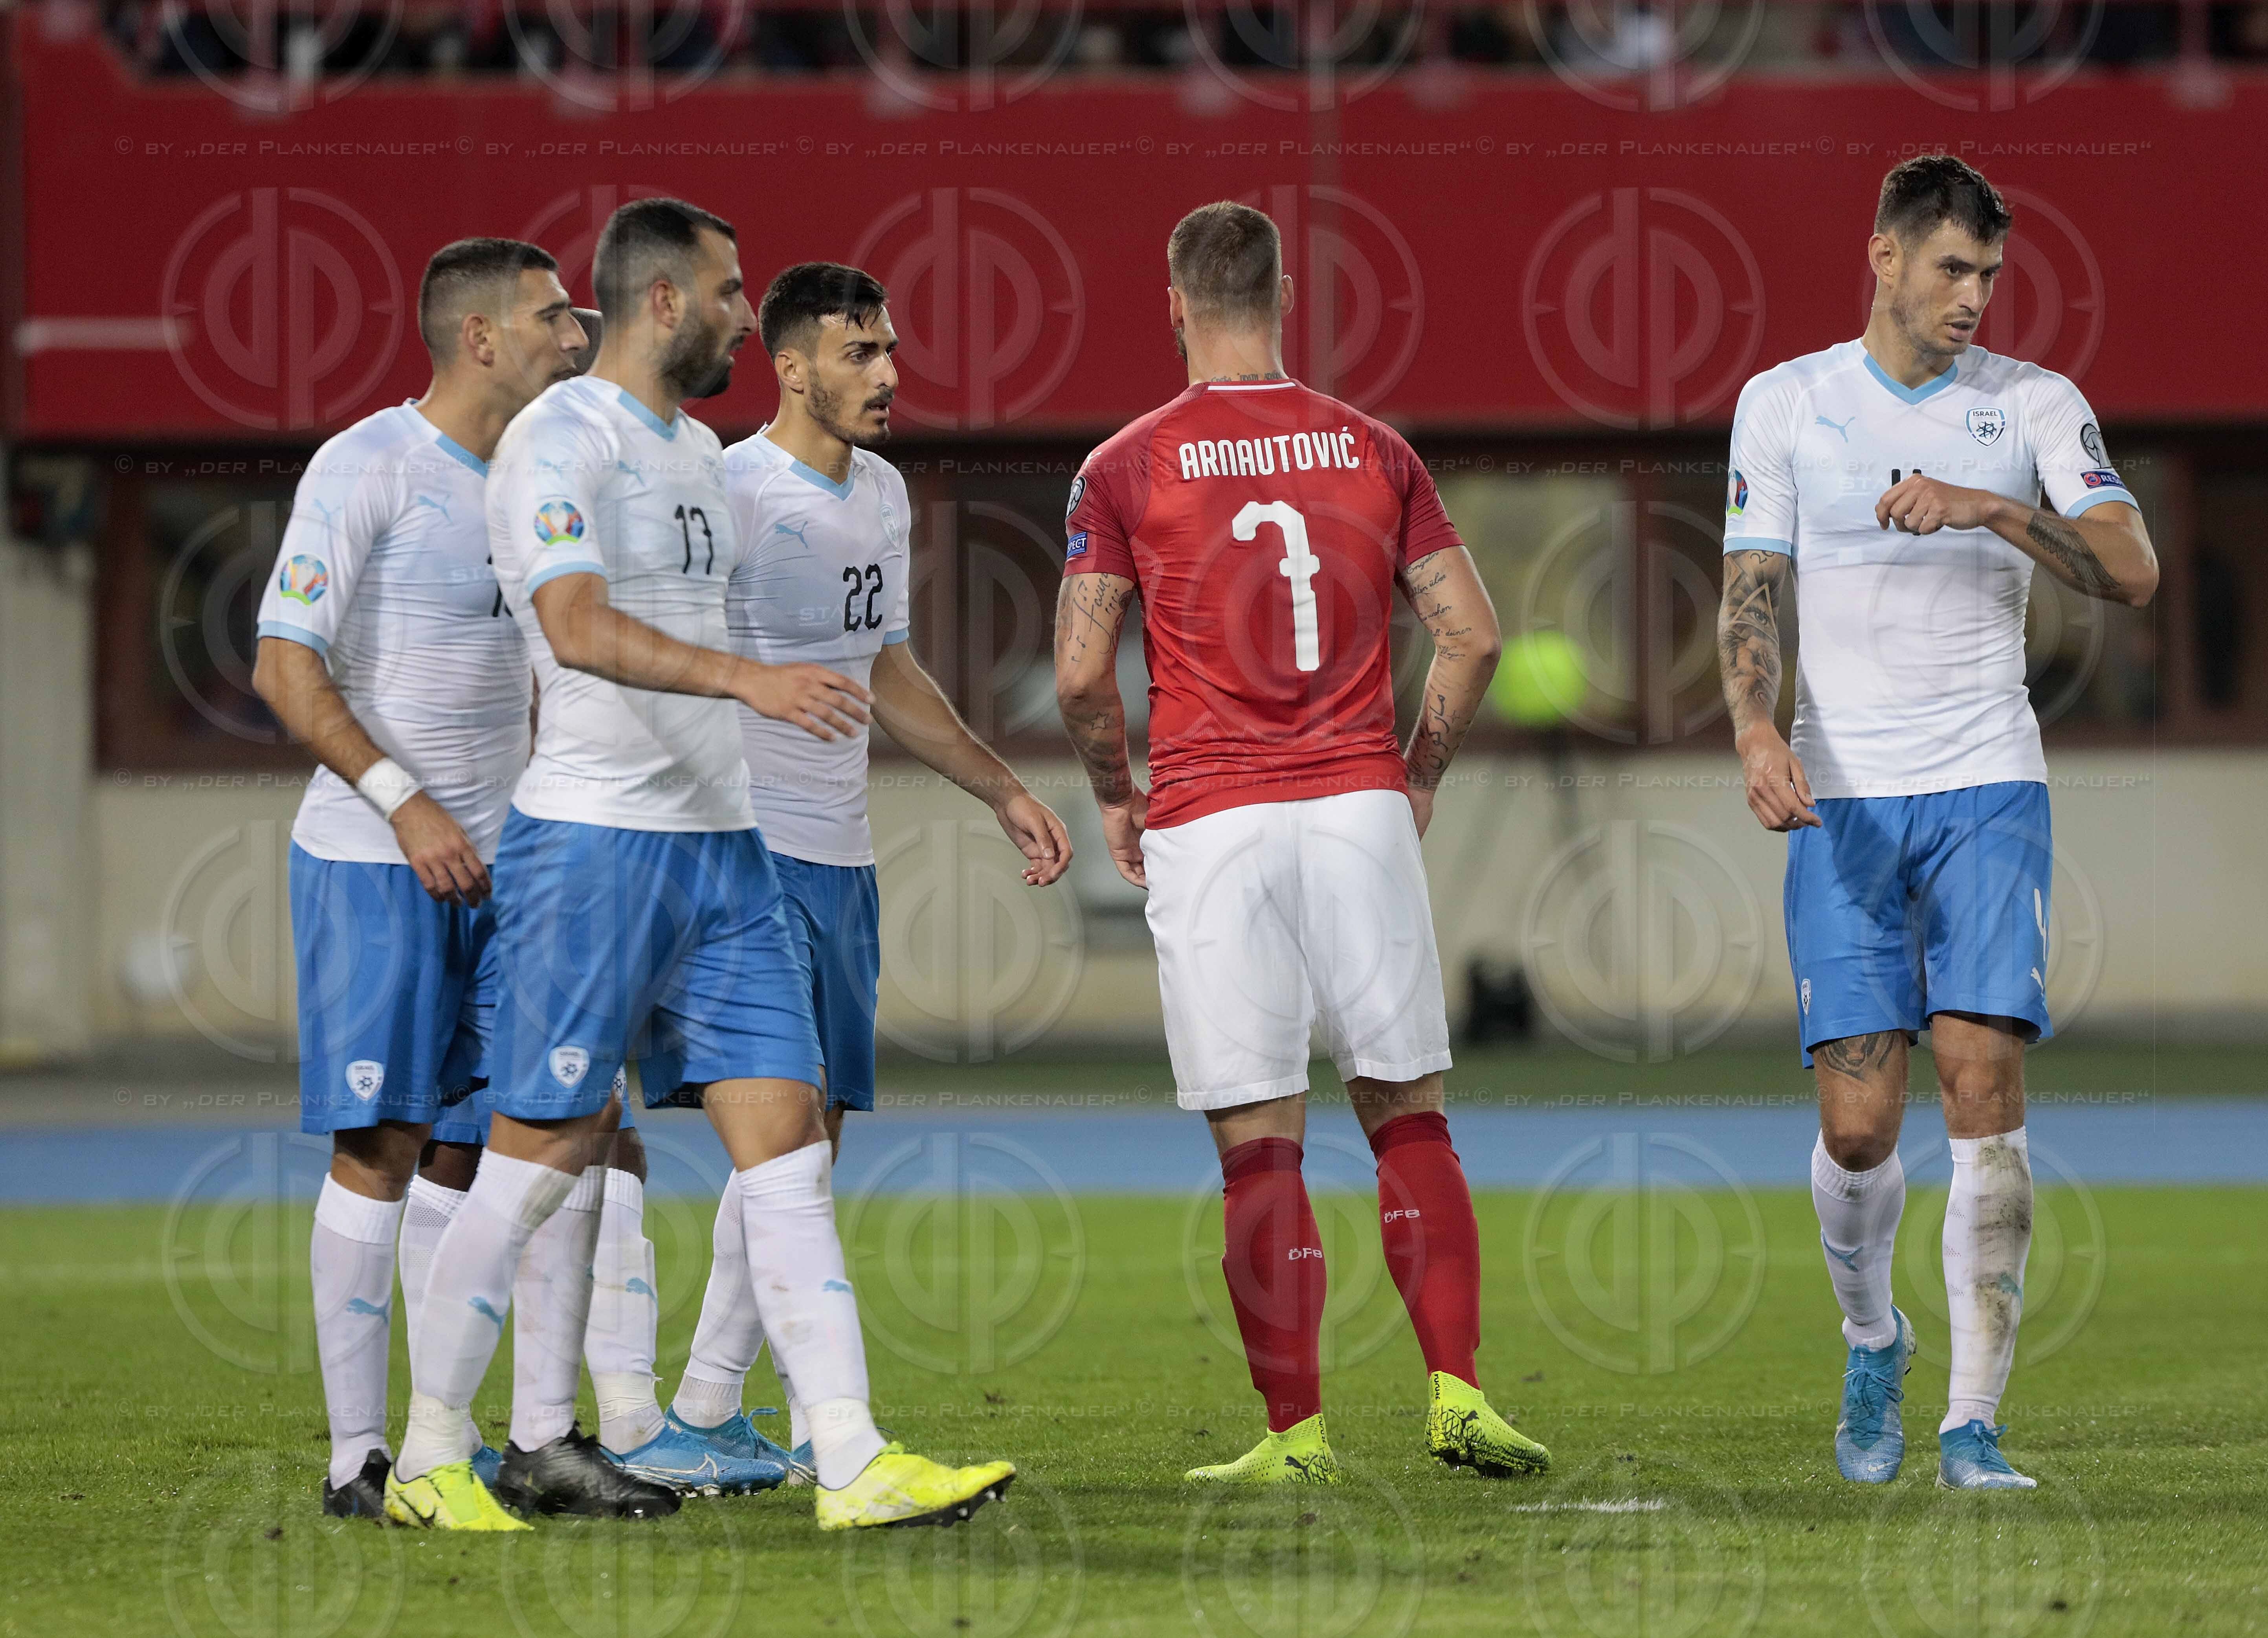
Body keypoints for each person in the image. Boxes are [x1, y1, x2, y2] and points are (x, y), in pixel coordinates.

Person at [384, 196, 1015, 1532]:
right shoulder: (563, 435)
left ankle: (845, 1456)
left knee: (787, 1145)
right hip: (597, 849)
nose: (745, 314)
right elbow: (572, 622)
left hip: (728, 852)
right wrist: (752, 681)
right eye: (730, 294)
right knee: (536, 1150)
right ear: (667, 302)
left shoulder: (693, 458)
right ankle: (431, 1454)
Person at [1054, 201, 1548, 1485]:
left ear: (1172, 303)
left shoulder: (1122, 466)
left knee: (1258, 1140)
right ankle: (1456, 1395)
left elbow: (1075, 672)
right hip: (1355, 807)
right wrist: (1416, 773)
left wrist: (1118, 792)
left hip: (1212, 818)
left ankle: (1298, 1435)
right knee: (1409, 1115)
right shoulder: (1374, 450)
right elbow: (1475, 634)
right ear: (1282, 299)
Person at [1715, 155, 2158, 1491]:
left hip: (1984, 783)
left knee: (1980, 1085)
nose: (1971, 298)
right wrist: (1751, 729)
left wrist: (1990, 506)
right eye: (1950, 269)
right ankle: (1873, 1336)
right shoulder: (1784, 403)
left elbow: (2130, 572)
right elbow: (1751, 589)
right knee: (1857, 1128)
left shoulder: (2031, 405)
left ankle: (1972, 1422)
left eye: (1988, 276)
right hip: (1842, 797)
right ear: (1883, 257)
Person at [591, 261, 1070, 1485]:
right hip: (742, 857)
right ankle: (774, 1425)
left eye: (891, 350)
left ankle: (705, 1413)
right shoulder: (730, 491)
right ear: (791, 367)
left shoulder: (886, 492)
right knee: (783, 1135)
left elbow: (886, 674)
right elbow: (644, 655)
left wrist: (1003, 788)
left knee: (819, 1143)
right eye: (860, 354)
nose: (889, 374)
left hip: (840, 857)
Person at [250, 238, 588, 1519]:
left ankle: (459, 1445)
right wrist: (403, 806)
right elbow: (286, 664)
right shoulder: (368, 465)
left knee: (493, 1153)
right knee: (384, 1145)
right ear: (481, 339)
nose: (577, 332)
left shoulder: (544, 479)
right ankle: (356, 1458)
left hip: (516, 868)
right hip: (373, 862)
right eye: (555, 316)